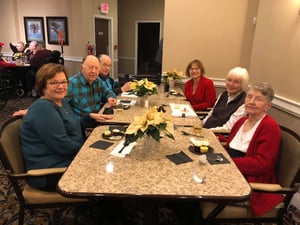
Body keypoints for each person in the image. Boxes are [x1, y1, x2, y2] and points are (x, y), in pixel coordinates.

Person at [20, 63, 110, 191]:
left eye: (64, 82)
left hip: (68, 160)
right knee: (106, 168)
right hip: (50, 171)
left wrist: (89, 117)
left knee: (108, 156)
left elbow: (73, 123)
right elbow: (63, 145)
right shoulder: (43, 108)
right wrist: (93, 150)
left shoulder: (61, 101)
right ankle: (108, 208)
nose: (61, 86)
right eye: (54, 83)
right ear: (42, 85)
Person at [225, 82, 283, 217]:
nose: (251, 102)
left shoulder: (270, 127)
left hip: (249, 179)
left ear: (268, 106)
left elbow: (262, 164)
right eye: (249, 97)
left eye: (258, 99)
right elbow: (232, 145)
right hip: (230, 169)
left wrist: (228, 162)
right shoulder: (241, 121)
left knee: (198, 190)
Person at [202, 67, 249, 131]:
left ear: (242, 85)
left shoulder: (244, 103)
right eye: (229, 80)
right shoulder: (223, 95)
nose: (231, 84)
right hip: (206, 129)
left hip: (218, 135)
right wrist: (201, 125)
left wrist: (207, 131)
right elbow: (211, 113)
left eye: (236, 82)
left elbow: (228, 128)